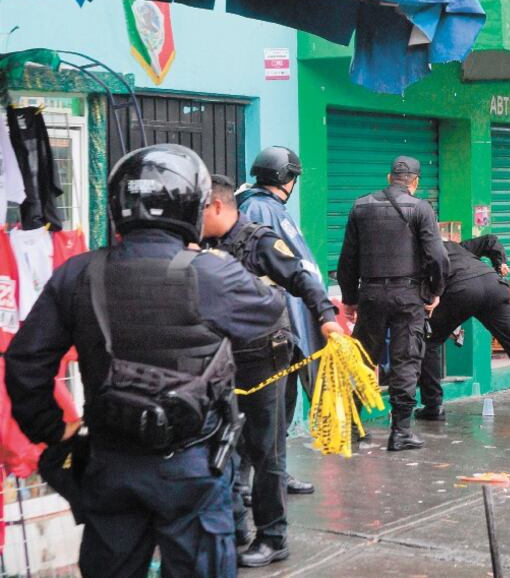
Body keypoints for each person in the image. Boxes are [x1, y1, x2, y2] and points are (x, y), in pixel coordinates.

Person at [3, 144, 286, 577]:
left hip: (108, 461)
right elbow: (271, 310)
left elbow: (24, 363)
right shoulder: (212, 273)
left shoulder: (79, 273)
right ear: (191, 204)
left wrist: (54, 432)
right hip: (192, 465)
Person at [202, 175, 342, 568]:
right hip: (221, 358)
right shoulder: (204, 245)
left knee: (266, 451)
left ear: (217, 206)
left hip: (264, 357)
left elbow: (303, 278)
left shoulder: (260, 240)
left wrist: (326, 317)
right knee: (223, 446)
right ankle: (234, 528)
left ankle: (273, 536)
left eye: (199, 210)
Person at [337, 155, 449, 451]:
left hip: (371, 295)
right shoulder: (421, 209)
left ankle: (351, 427)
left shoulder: (361, 206)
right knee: (406, 361)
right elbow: (438, 257)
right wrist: (435, 292)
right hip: (407, 297)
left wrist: (349, 298)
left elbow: (347, 258)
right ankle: (400, 431)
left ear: (390, 178)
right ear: (415, 182)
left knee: (362, 361)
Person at [414, 234, 510, 422]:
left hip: (461, 291)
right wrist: (500, 263)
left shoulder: (418, 254)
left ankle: (433, 406)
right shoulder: (454, 246)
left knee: (430, 341)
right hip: (493, 286)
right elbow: (490, 240)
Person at [236, 146, 320, 496]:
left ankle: (266, 475)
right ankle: (249, 480)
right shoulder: (262, 209)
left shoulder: (251, 204)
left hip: (268, 322)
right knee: (271, 406)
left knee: (275, 405)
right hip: (273, 324)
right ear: (287, 178)